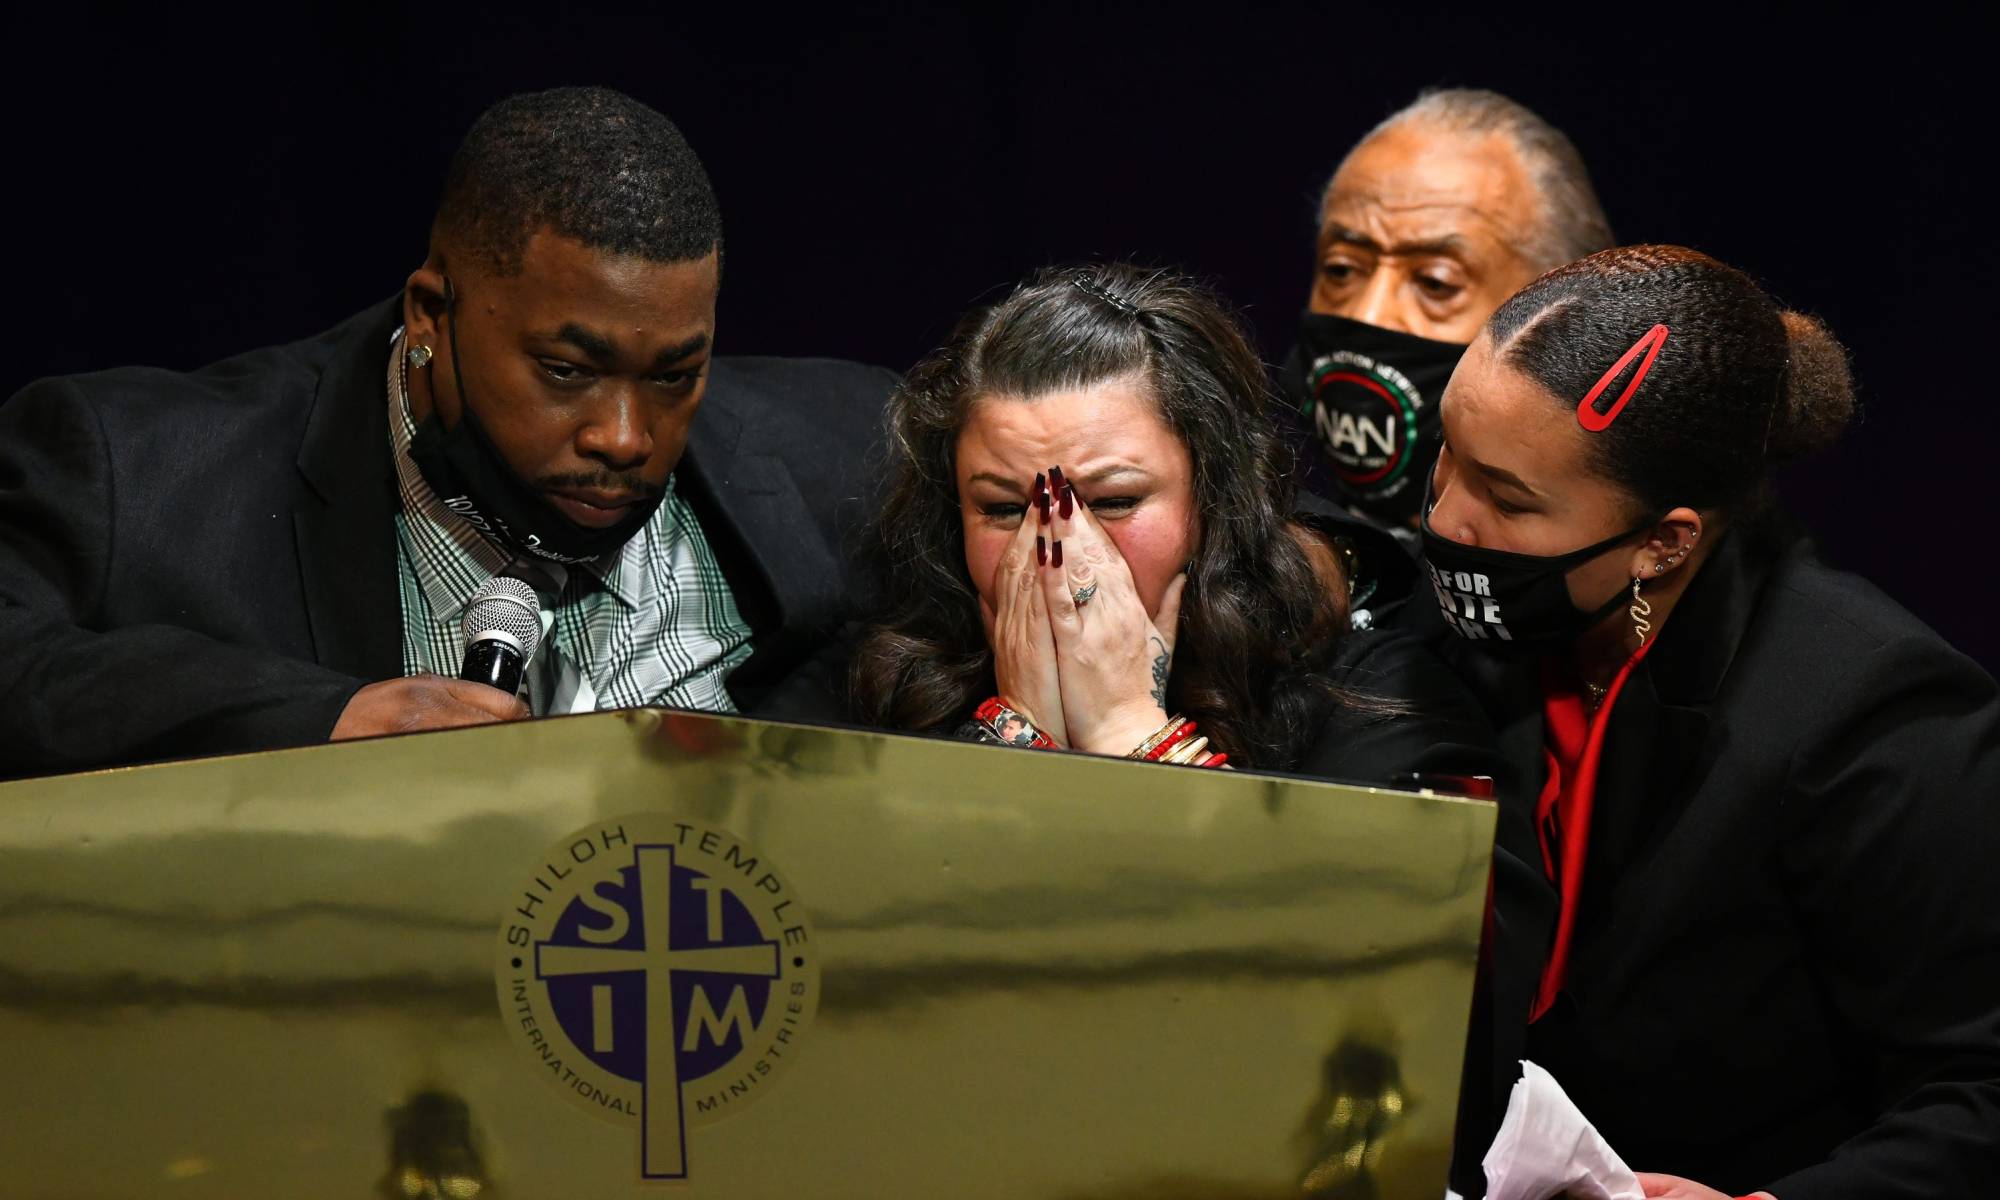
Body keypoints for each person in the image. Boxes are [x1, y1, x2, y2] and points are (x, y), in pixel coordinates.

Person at [0, 87, 895, 779]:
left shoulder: (858, 446)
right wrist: (320, 720)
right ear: (431, 313)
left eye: (673, 376)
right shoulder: (135, 473)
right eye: (566, 370)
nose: (625, 438)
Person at [1417, 244, 2000, 1197]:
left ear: (1663, 542)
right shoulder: (1460, 629)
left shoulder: (1873, 712)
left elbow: (1980, 1089)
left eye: (1507, 499)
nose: (1447, 519)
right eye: (1449, 452)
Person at [843, 259, 1501, 779]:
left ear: (1212, 499)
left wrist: (1127, 731)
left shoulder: (1378, 699)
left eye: (1115, 501)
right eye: (1003, 509)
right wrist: (1016, 730)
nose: (1063, 550)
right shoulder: (877, 685)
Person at [1280, 89, 1613, 569]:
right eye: (1341, 269)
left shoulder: (1594, 582)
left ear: (1563, 315)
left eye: (1435, 282)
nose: (1367, 315)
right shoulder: (1251, 551)